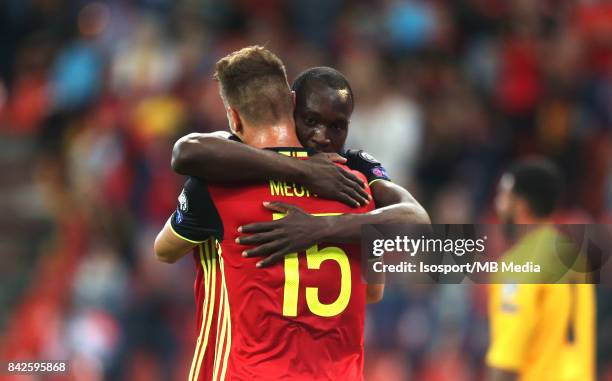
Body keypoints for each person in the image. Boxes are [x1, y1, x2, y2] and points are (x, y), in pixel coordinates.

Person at [154, 46, 375, 381]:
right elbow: (372, 292)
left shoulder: (217, 187)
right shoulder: (356, 185)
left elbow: (164, 250)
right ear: (291, 102)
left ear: (235, 118)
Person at [171, 66, 430, 268]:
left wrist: (321, 228)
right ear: (291, 108)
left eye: (337, 126)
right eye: (310, 120)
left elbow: (418, 222)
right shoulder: (251, 155)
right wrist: (302, 169)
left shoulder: (356, 167)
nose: (322, 137)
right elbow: (185, 152)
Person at [487, 158, 596, 381]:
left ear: (520, 205)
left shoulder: (519, 265)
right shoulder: (573, 256)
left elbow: (506, 361)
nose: (497, 206)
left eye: (503, 197)